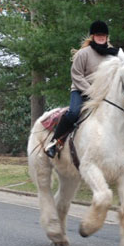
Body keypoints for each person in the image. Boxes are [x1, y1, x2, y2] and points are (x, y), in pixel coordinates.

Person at [44, 20, 119, 158]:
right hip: (81, 90)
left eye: (103, 35)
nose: (101, 37)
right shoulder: (83, 53)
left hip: (103, 93)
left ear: (107, 36)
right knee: (73, 113)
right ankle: (54, 143)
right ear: (92, 36)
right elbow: (76, 76)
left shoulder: (113, 55)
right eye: (98, 35)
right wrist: (92, 91)